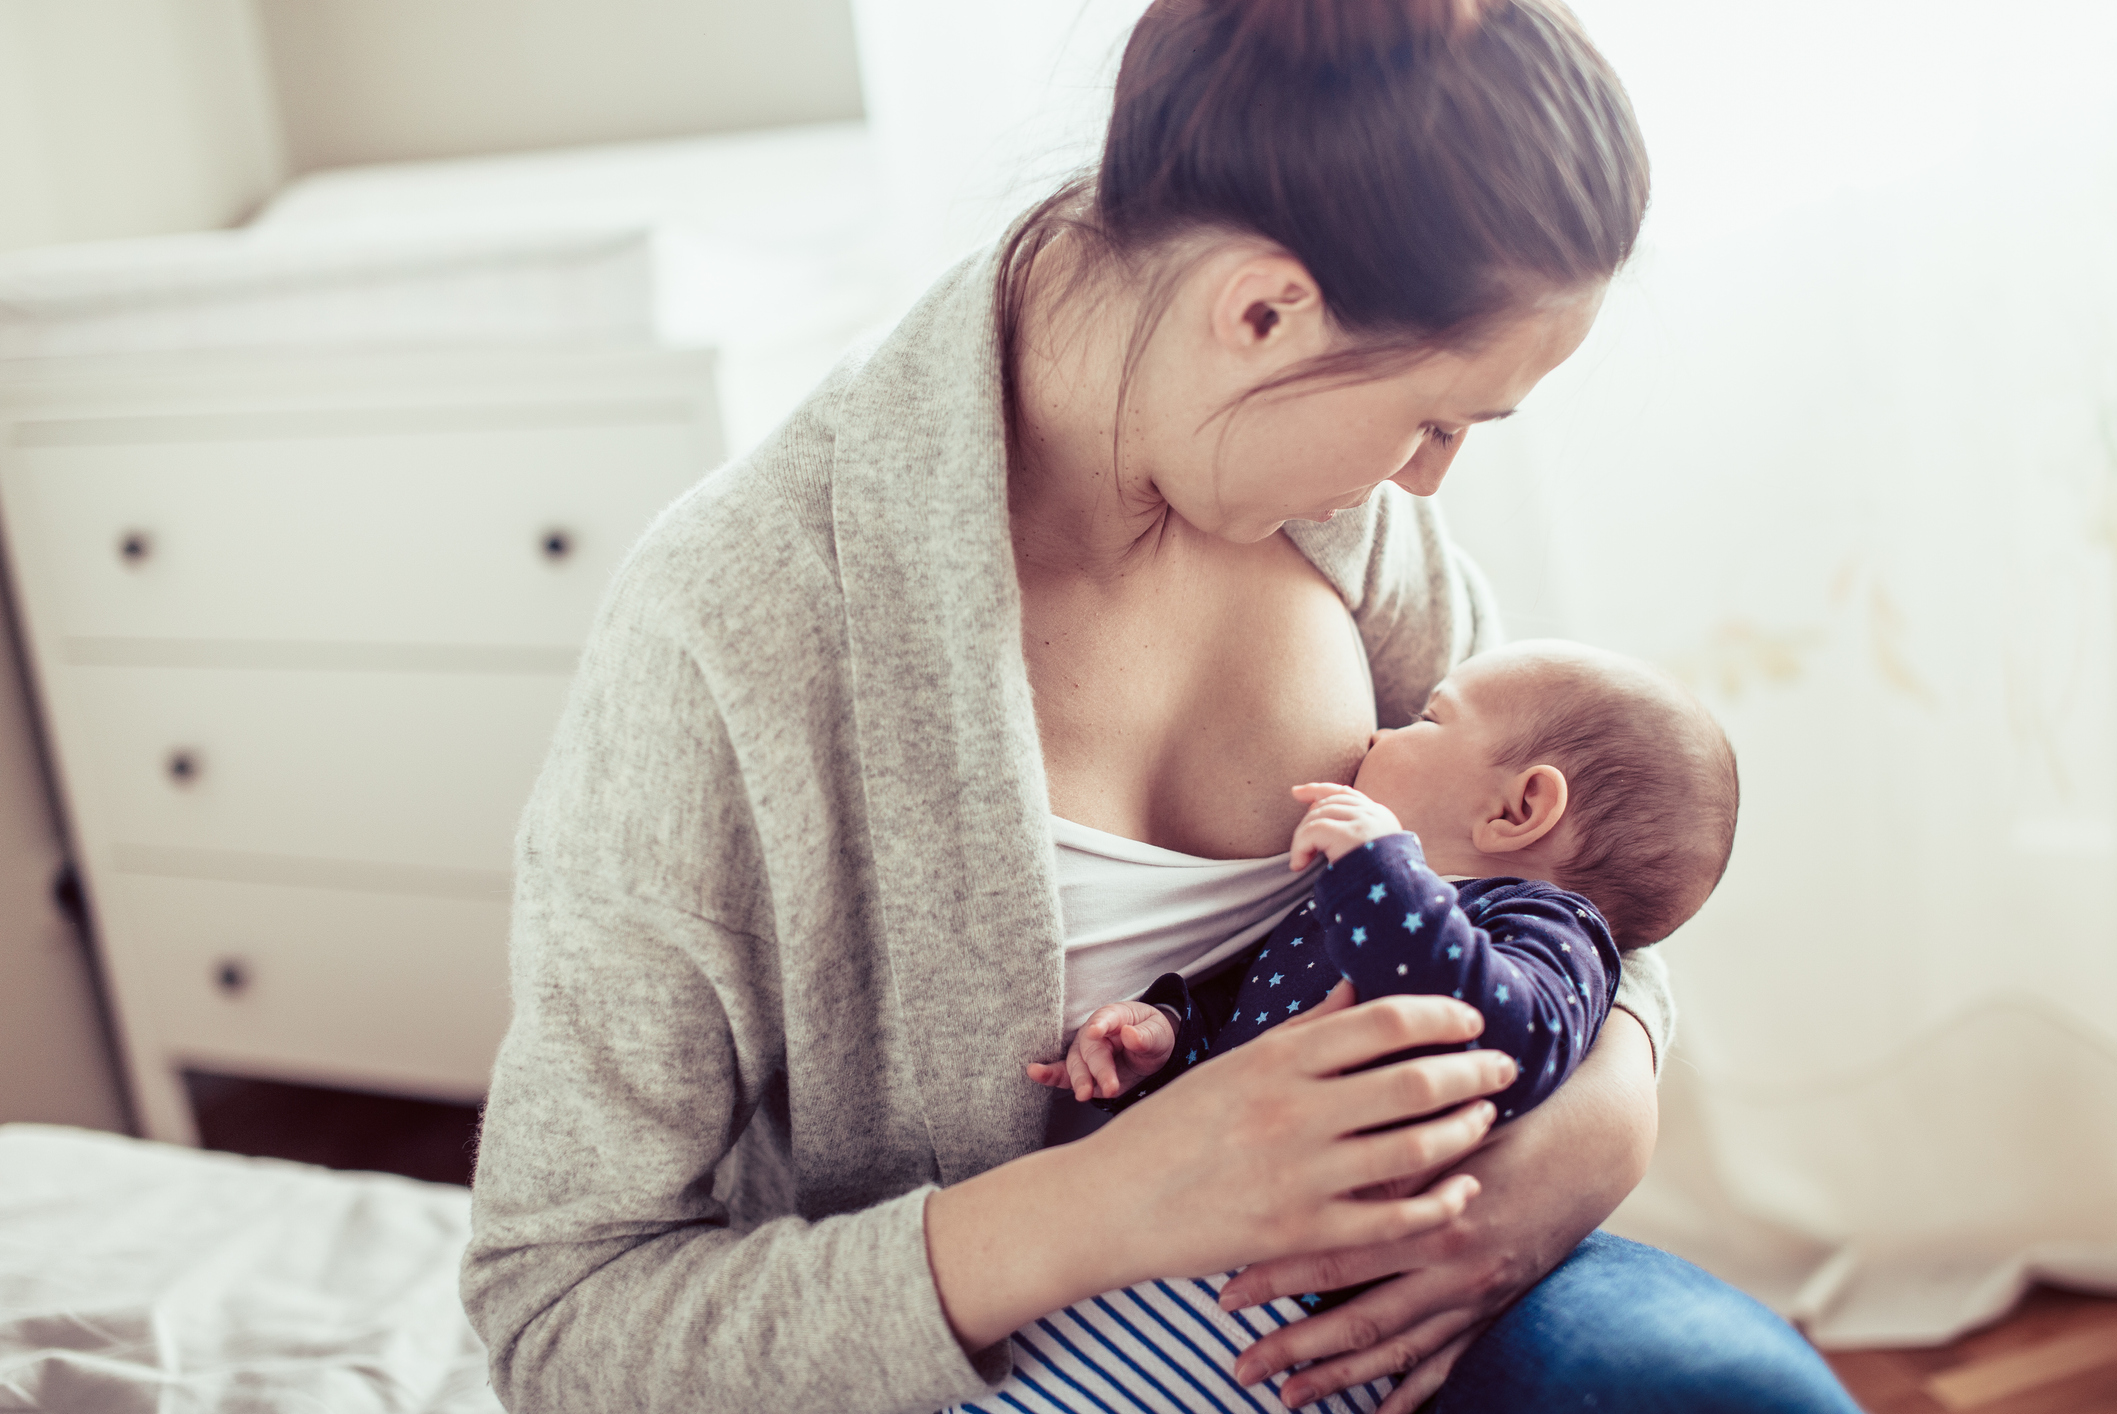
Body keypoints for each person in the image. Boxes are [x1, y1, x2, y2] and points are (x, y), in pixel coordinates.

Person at [461, 2, 1864, 1411]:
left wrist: (1575, 1157)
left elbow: (1584, 889)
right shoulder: (738, 626)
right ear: (1262, 309)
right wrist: (1115, 1196)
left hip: (1387, 1292)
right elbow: (559, 1312)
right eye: (1435, 418)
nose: (1428, 480)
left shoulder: (1337, 519)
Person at [1035, 639, 1737, 1124]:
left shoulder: (1547, 928)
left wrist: (1381, 867)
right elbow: (1258, 1019)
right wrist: (1167, 1037)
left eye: (1427, 720)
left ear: (1515, 810)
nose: (1378, 736)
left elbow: (1503, 1044)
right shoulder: (1363, 900)